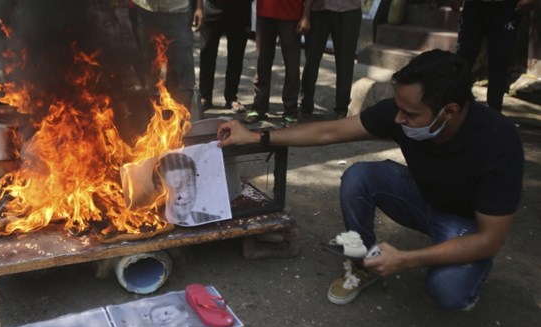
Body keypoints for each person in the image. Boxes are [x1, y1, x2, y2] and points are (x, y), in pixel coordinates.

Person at [217, 49, 524, 311]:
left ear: (449, 112)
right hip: (420, 197)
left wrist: (407, 258)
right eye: (398, 108)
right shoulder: (401, 111)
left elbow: (491, 238)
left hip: (463, 224)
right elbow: (330, 131)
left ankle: (466, 270)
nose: (398, 119)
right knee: (359, 176)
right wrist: (258, 136)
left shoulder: (498, 142)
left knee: (449, 293)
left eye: (410, 114)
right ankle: (365, 263)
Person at [454, 0, 539, 112]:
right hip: (473, 6)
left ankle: (494, 113)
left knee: (499, 64)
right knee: (462, 61)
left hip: (506, 8)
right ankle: (455, 108)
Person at [244, 0, 312, 126]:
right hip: (264, 13)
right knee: (262, 63)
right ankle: (258, 108)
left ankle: (291, 111)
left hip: (291, 14)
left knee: (292, 65)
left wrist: (306, 16)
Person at [131, 0, 204, 110]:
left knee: (181, 67)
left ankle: (185, 117)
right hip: (145, 10)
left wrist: (199, 7)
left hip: (178, 11)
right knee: (150, 69)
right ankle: (153, 118)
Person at [300, 0, 362, 119]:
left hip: (348, 9)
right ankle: (305, 103)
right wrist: (305, 14)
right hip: (318, 9)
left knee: (345, 61)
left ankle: (342, 108)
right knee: (311, 60)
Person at [198, 0, 252, 113]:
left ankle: (231, 97)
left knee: (236, 54)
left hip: (240, 8)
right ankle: (205, 97)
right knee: (207, 51)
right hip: (212, 6)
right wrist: (199, 7)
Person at [152, 151, 222, 225]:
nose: (185, 195)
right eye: (177, 187)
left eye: (189, 185)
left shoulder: (214, 221)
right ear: (160, 189)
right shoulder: (152, 224)